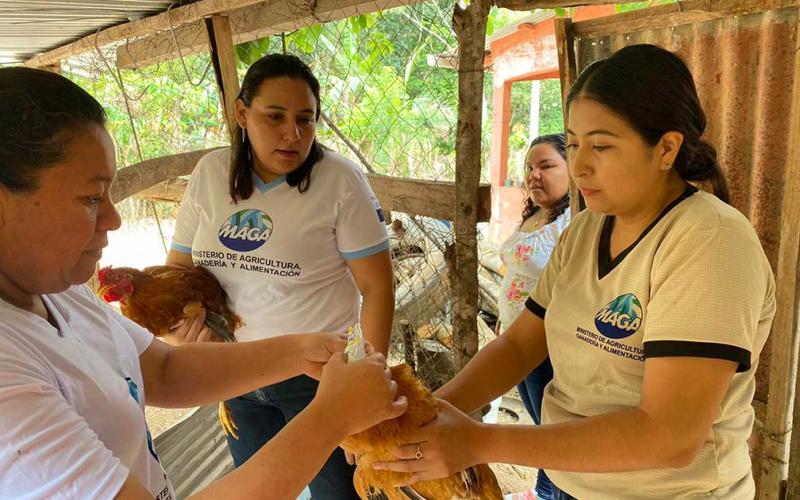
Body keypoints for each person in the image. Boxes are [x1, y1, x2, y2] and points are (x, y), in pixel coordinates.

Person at [374, 44, 776, 500]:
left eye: (601, 145)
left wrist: (479, 440)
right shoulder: (586, 229)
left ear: (666, 148)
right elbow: (521, 343)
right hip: (570, 481)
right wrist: (428, 414)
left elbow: (671, 435)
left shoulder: (709, 241)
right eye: (575, 143)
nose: (580, 165)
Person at [0, 67, 407, 500]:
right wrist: (332, 417)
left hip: (303, 377)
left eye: (305, 119)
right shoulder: (8, 378)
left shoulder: (60, 294)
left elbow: (163, 370)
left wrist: (299, 350)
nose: (114, 218)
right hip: (258, 387)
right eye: (92, 197)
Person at [165, 53, 395, 498]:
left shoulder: (339, 182)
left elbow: (377, 286)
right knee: (258, 488)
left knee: (339, 492)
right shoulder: (211, 174)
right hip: (234, 372)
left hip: (317, 377)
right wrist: (184, 331)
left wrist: (370, 373)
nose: (293, 134)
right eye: (275, 117)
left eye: (305, 120)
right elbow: (177, 272)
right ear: (241, 113)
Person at [496, 133, 570, 499]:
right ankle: (544, 490)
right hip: (515, 338)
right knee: (539, 422)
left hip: (546, 344)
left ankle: (552, 493)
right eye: (529, 167)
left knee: (550, 429)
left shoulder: (574, 222)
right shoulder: (535, 215)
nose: (533, 175)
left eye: (546, 166)